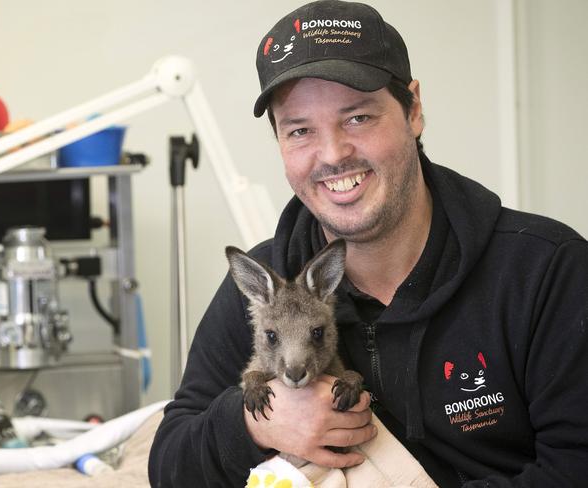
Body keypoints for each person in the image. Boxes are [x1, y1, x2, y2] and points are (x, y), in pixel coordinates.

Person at [149, 1, 588, 486]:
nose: (333, 154)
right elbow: (171, 464)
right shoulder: (267, 285)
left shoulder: (545, 270)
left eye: (357, 117)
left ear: (413, 110)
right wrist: (257, 421)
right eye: (300, 130)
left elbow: (575, 465)